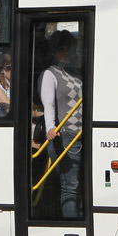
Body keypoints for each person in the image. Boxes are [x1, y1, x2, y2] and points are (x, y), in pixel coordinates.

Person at [41, 31, 83, 218]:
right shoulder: (50, 74)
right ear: (53, 51)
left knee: (81, 186)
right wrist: (51, 127)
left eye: (69, 49)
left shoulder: (75, 73)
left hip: (82, 135)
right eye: (61, 49)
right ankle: (72, 226)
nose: (66, 53)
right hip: (65, 136)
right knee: (70, 187)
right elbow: (48, 103)